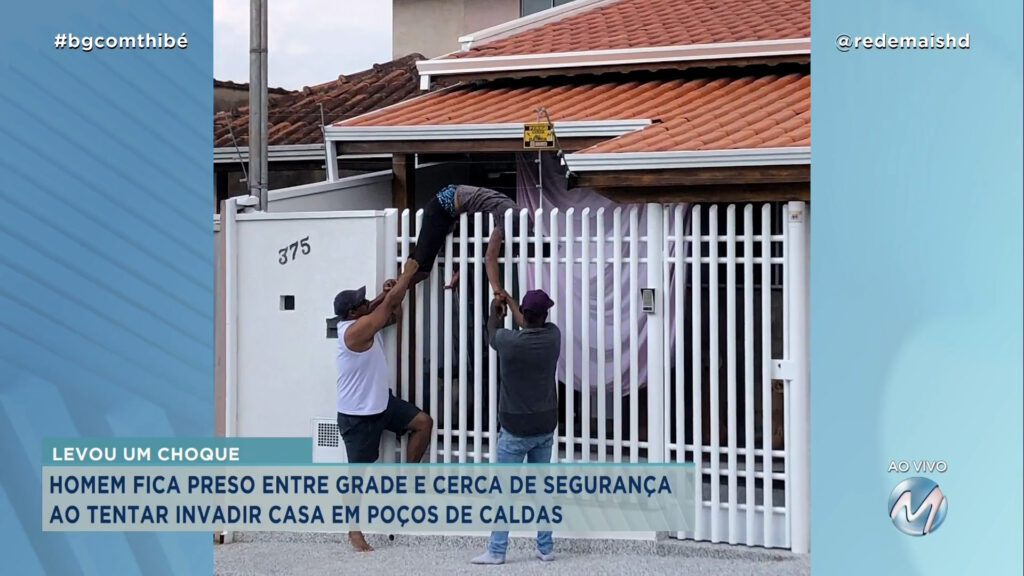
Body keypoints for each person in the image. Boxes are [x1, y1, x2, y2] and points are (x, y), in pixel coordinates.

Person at [332, 260, 433, 552]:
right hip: (358, 416)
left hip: (381, 403)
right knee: (357, 477)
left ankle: (407, 481)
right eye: (361, 302)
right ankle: (353, 531)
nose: (366, 302)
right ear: (352, 313)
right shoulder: (353, 333)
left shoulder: (357, 323)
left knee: (423, 423)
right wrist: (407, 274)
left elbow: (389, 313)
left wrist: (385, 295)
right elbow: (387, 307)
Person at [471, 289, 560, 565]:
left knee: (504, 492)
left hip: (514, 427)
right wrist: (510, 301)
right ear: (545, 316)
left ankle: (497, 551)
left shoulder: (508, 342)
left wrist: (495, 311)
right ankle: (545, 548)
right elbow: (529, 322)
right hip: (545, 424)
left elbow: (491, 333)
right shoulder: (553, 336)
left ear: (524, 313)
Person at [408, 184, 518, 293]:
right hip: (444, 204)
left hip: (456, 209)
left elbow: (481, 249)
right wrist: (498, 292)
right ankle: (392, 293)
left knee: (420, 263)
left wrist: (459, 272)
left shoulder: (511, 214)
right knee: (421, 269)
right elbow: (489, 257)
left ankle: (394, 290)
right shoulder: (509, 219)